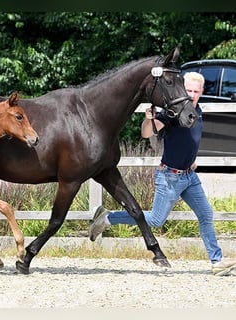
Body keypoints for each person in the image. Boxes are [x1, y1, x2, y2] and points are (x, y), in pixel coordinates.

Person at [88, 71, 236, 276]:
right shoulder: (173, 113)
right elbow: (146, 133)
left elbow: (190, 140)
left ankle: (217, 261)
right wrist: (150, 119)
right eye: (189, 90)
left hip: (189, 177)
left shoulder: (198, 111)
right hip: (170, 177)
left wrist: (192, 160)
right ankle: (108, 218)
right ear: (183, 90)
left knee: (205, 214)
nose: (192, 94)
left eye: (196, 91)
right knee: (157, 220)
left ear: (202, 92)